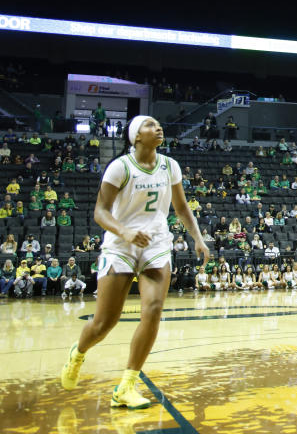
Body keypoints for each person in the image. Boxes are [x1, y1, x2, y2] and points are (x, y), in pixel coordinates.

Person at [60, 115, 210, 409]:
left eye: (158, 123)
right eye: (150, 125)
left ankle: (126, 386)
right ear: (136, 137)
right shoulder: (120, 167)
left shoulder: (170, 165)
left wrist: (198, 237)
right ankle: (77, 354)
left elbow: (180, 207)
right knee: (105, 323)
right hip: (121, 245)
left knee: (153, 310)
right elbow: (100, 212)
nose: (158, 127)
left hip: (156, 244)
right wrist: (125, 231)